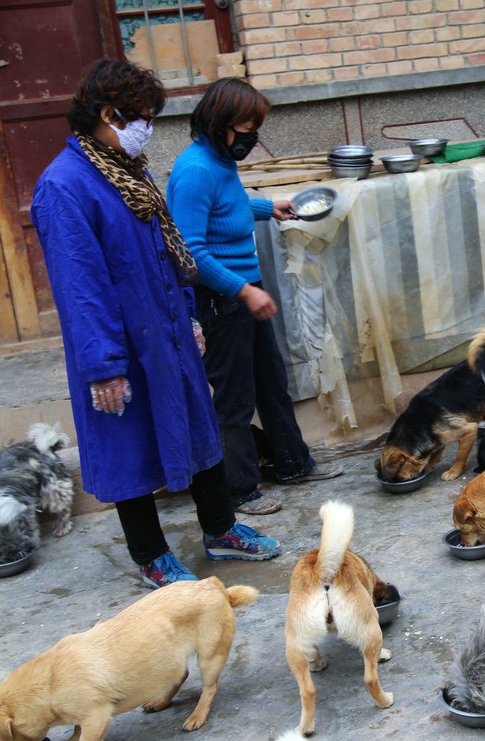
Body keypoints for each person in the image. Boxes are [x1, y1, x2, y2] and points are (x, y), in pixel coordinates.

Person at [30, 60, 284, 589]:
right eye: (141, 117)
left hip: (167, 328)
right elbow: (80, 288)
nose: (147, 126)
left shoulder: (130, 169)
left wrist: (189, 315)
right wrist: (103, 366)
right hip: (119, 345)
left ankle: (221, 528)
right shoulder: (65, 186)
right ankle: (151, 555)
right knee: (131, 446)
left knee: (199, 426)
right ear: (107, 114)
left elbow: (170, 251)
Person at [166, 78, 343, 516]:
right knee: (235, 398)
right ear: (219, 121)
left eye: (255, 126)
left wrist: (269, 207)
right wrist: (243, 291)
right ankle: (237, 490)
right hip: (220, 297)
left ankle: (292, 464)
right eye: (246, 126)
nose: (252, 136)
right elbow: (190, 252)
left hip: (244, 291)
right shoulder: (194, 170)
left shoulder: (220, 161)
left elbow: (228, 206)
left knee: (271, 382)